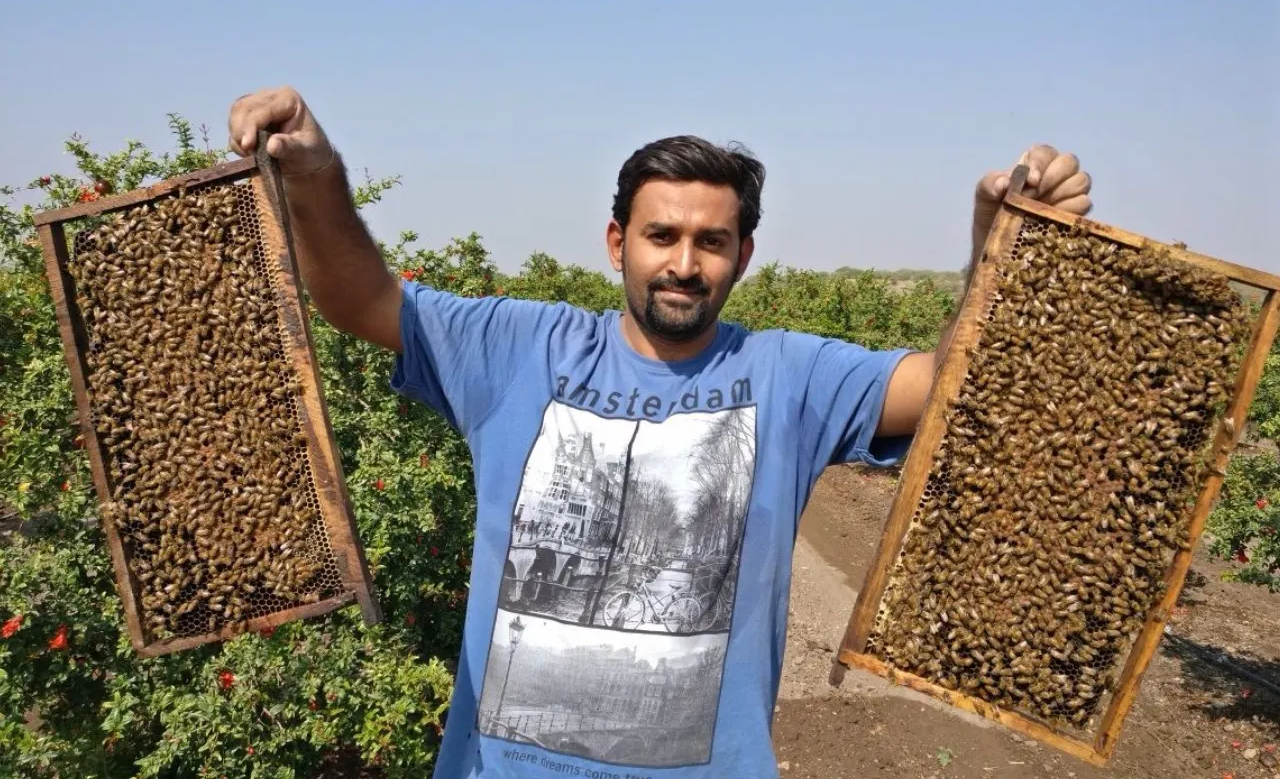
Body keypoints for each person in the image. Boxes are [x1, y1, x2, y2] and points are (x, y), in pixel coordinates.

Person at [228, 86, 1093, 779]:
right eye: (662, 236)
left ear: (742, 256)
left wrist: (1004, 247)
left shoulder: (790, 374)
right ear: (618, 244)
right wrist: (317, 175)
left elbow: (948, 389)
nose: (684, 263)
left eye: (711, 241)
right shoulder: (518, 348)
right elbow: (360, 299)